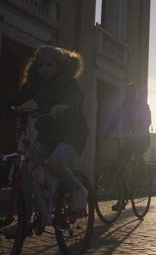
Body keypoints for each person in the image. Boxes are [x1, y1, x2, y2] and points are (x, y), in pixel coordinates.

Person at [7, 46, 89, 232]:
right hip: (48, 133)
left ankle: (78, 190)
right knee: (27, 169)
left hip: (72, 133)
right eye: (40, 65)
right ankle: (24, 220)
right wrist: (8, 105)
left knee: (55, 162)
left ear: (60, 66)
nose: (43, 69)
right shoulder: (35, 83)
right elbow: (18, 98)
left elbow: (76, 98)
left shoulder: (69, 83)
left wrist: (64, 105)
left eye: (49, 65)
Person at [104, 84, 151, 210]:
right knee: (119, 163)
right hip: (130, 139)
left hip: (142, 139)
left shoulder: (143, 106)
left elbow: (147, 121)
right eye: (129, 93)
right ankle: (122, 199)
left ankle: (141, 176)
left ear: (137, 94)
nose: (131, 96)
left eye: (133, 93)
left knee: (138, 155)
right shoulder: (123, 106)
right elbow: (114, 119)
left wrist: (140, 130)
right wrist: (107, 132)